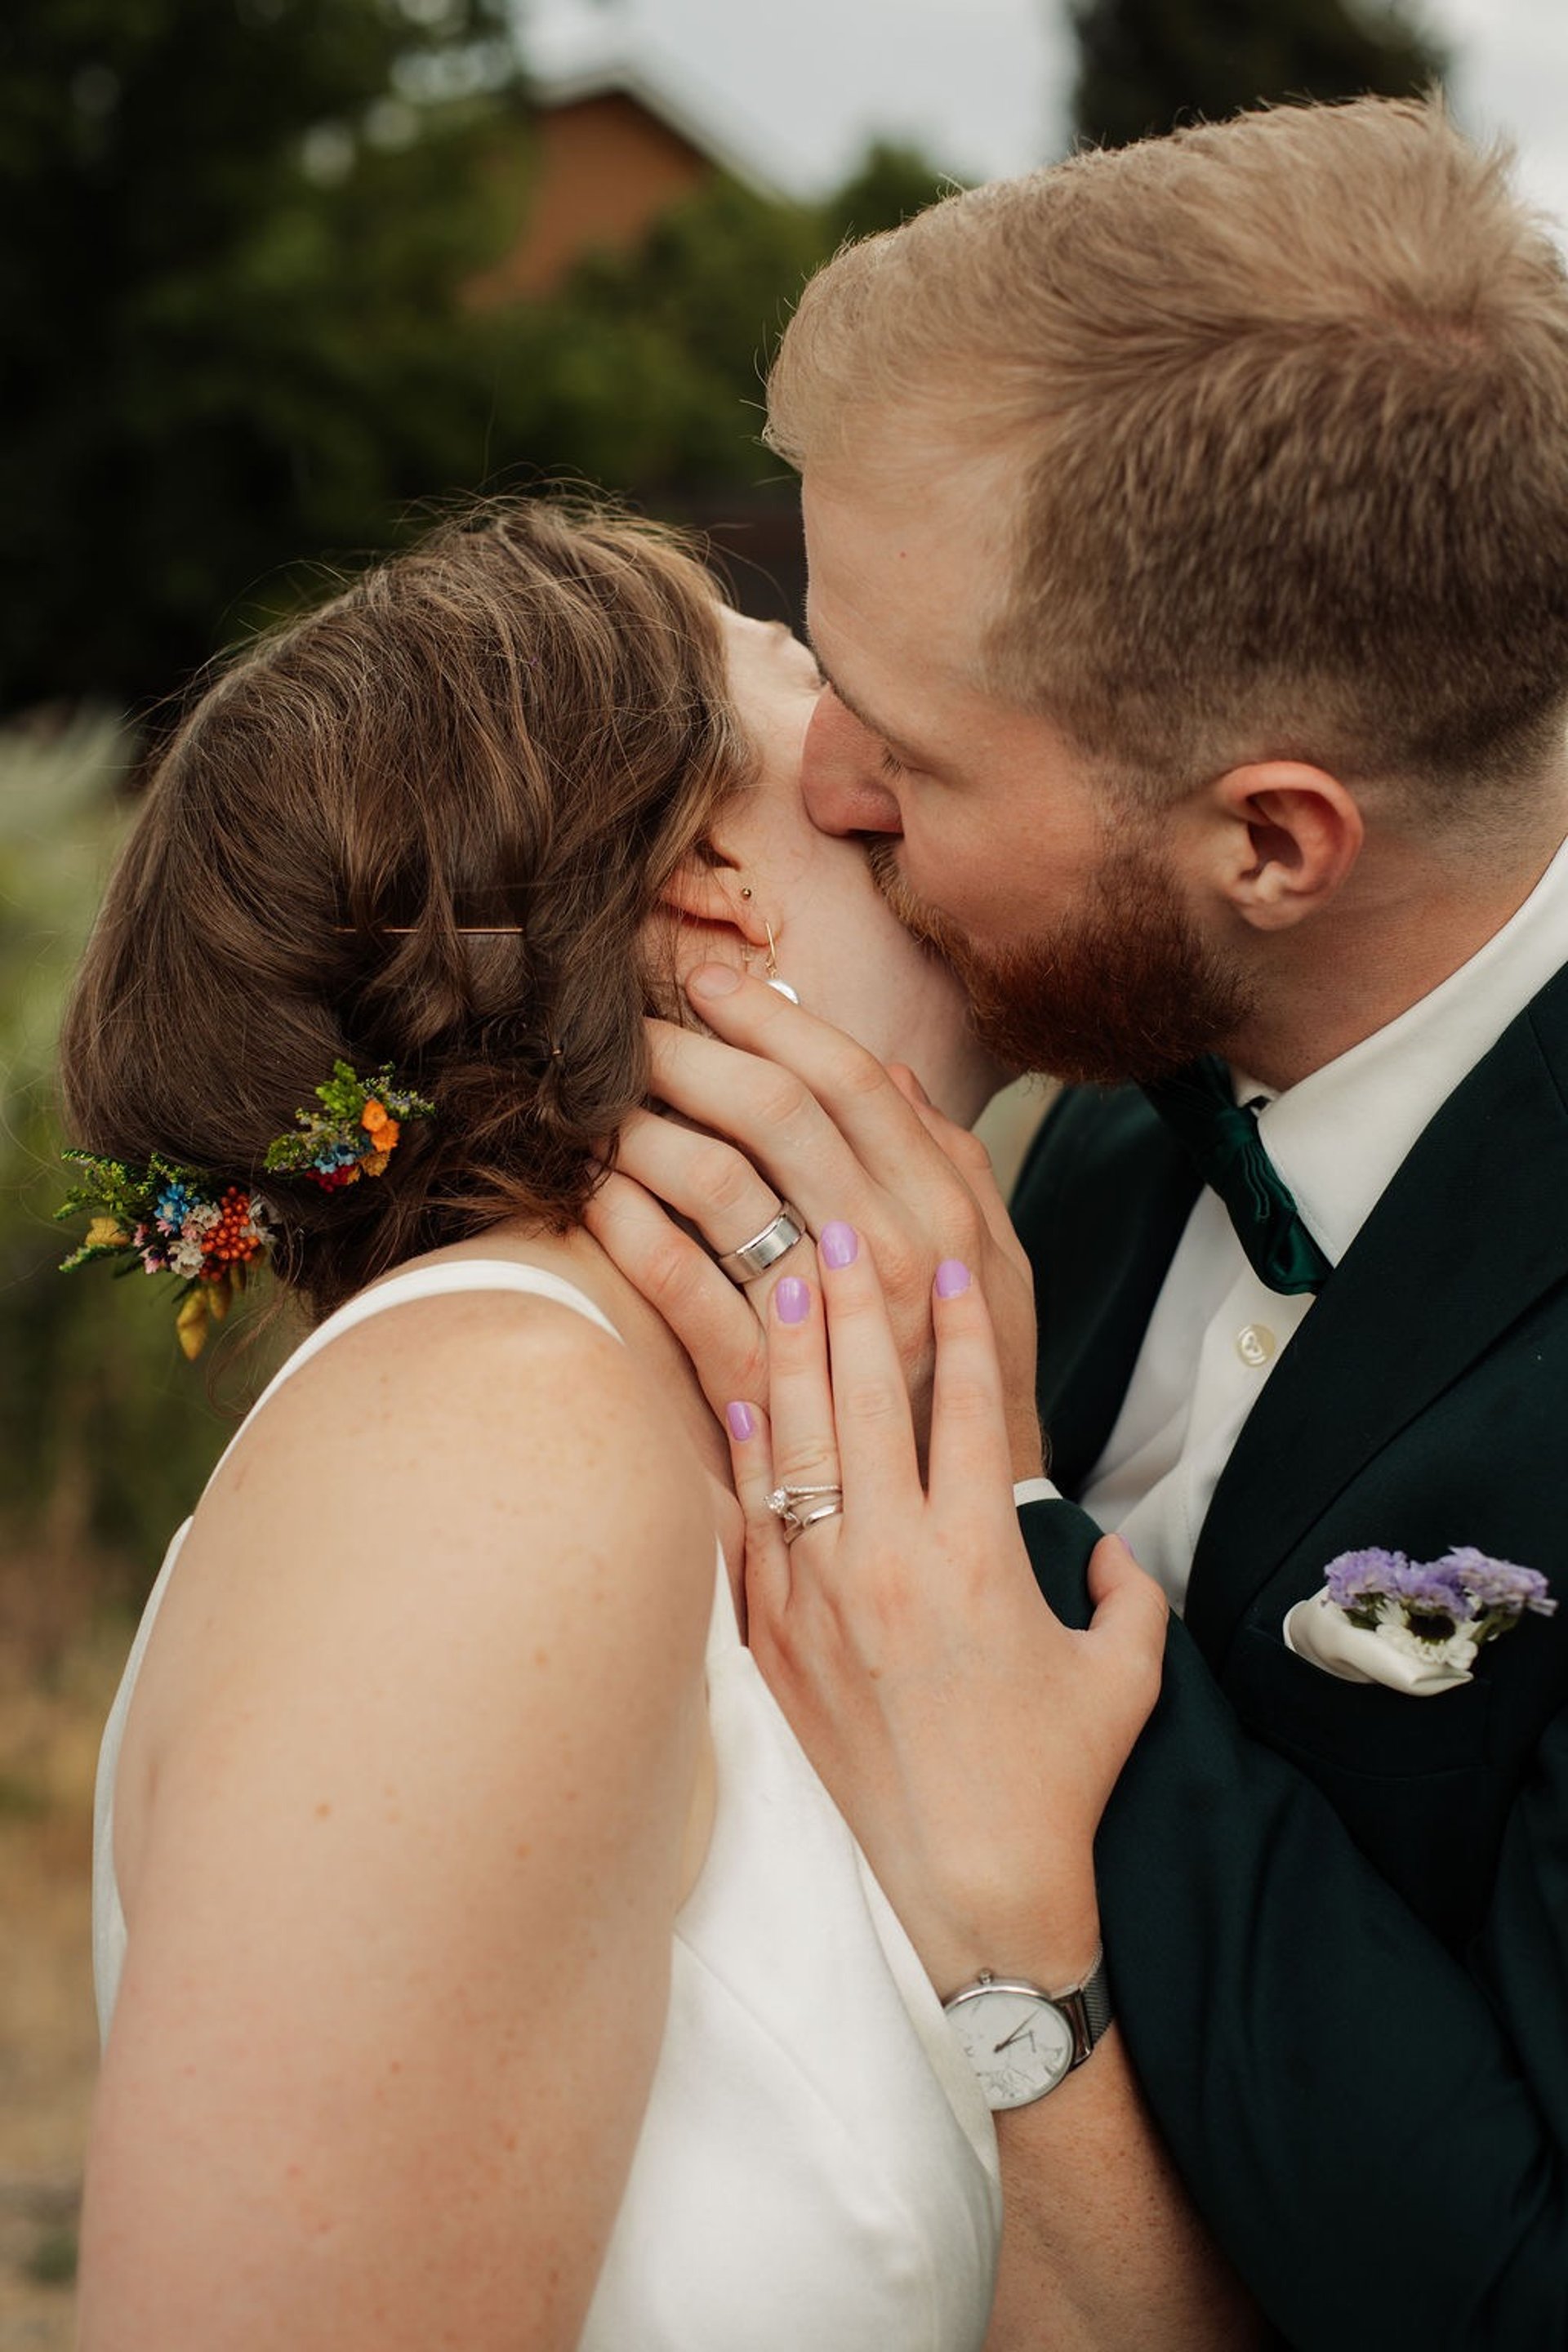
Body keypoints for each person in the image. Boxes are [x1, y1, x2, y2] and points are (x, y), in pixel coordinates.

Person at [586, 96, 1568, 2350]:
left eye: (911, 757)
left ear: (1274, 841)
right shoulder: (1110, 1125)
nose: (821, 786)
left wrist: (1002, 1574)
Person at [63, 500, 1250, 2349]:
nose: (895, 730)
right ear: (709, 877)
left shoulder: (783, 1469)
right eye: (819, 677)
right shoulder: (489, 1448)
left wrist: (1003, 1897)